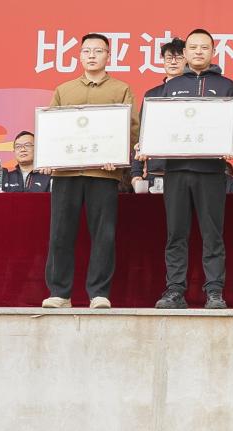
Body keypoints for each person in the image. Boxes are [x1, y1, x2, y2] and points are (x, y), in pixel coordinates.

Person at [41, 33, 139, 309]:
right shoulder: (64, 90)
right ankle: (59, 293)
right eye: (87, 51)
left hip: (103, 173)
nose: (92, 55)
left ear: (109, 56)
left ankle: (99, 292)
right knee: (60, 233)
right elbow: (52, 128)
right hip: (66, 173)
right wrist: (48, 156)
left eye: (98, 51)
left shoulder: (121, 89)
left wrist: (118, 156)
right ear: (80, 56)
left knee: (103, 234)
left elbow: (131, 128)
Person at [152, 29, 233, 310]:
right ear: (185, 53)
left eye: (204, 47)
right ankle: (175, 291)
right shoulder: (172, 86)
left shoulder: (227, 86)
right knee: (176, 234)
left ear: (213, 52)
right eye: (193, 47)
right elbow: (160, 126)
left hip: (211, 171)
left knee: (212, 235)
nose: (198, 52)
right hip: (176, 171)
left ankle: (214, 291)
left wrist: (230, 141)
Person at [132, 38, 186, 188]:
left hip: (186, 169)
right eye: (169, 58)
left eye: (179, 58)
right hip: (156, 171)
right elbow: (141, 134)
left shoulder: (194, 93)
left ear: (187, 60)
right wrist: (136, 173)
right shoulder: (152, 95)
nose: (173, 62)